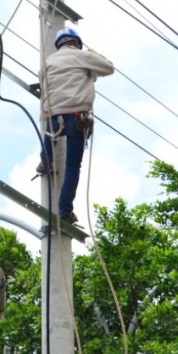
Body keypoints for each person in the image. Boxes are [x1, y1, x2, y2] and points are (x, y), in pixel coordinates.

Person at [37, 26, 115, 223]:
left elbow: (43, 83)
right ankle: (64, 211)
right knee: (73, 166)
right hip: (76, 116)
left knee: (50, 132)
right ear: (76, 43)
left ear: (58, 45)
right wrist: (92, 53)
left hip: (53, 116)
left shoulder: (47, 63)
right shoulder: (82, 56)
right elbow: (108, 68)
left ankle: (45, 160)